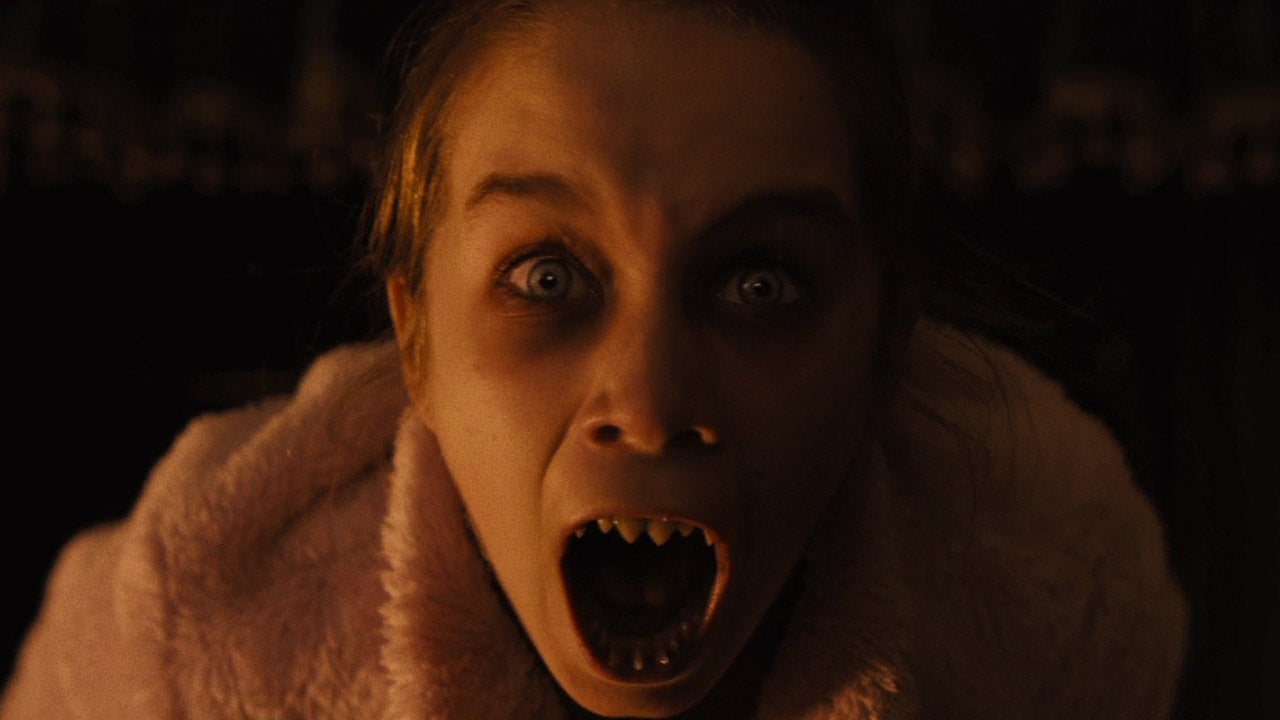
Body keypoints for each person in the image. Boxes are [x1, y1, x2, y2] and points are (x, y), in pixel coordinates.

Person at [1, 1, 1188, 718]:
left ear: (883, 351)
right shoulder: (174, 649)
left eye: (760, 286)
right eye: (546, 280)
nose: (651, 405)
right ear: (414, 339)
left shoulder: (1054, 599)